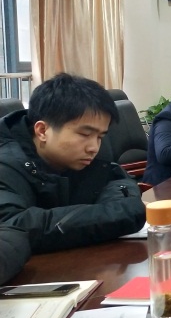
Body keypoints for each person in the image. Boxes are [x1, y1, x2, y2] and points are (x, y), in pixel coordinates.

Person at [0, 73, 145, 253]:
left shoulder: (78, 154)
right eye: (85, 134)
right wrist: (116, 214)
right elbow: (13, 226)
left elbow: (117, 178)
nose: (93, 147)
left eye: (100, 137)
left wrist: (114, 209)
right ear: (42, 131)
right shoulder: (6, 165)